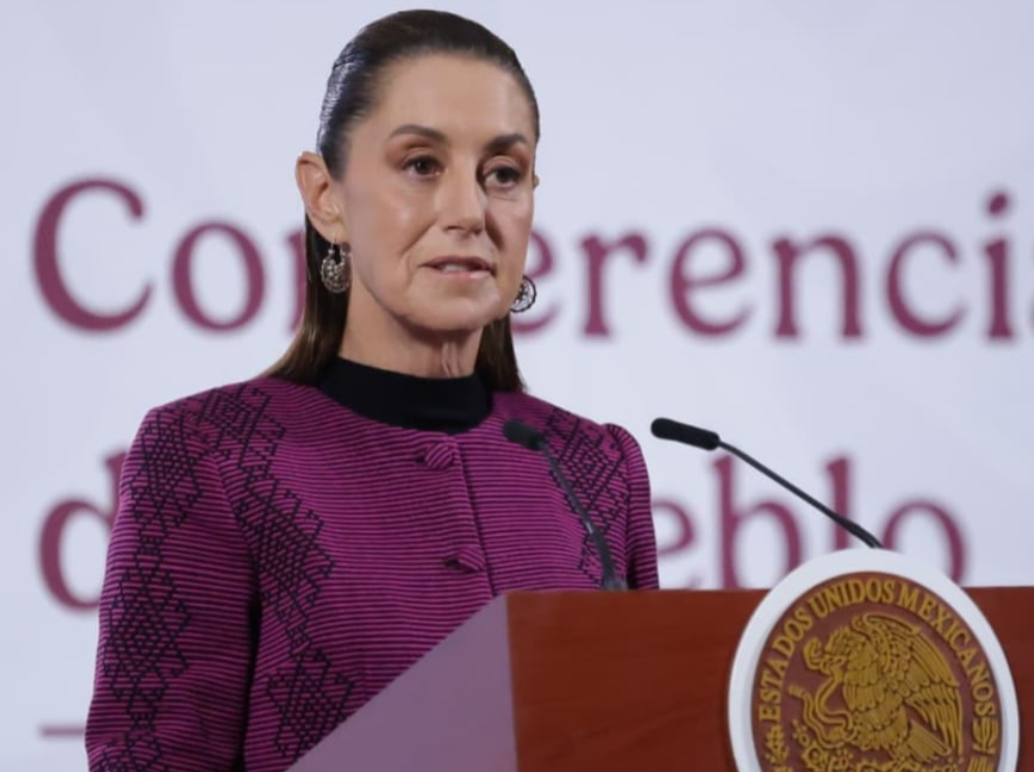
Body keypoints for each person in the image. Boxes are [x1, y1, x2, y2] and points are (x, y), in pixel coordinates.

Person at [83, 10, 660, 772]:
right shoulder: (209, 454)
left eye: (503, 173)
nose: (470, 212)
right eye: (421, 164)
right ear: (326, 196)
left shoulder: (598, 468)